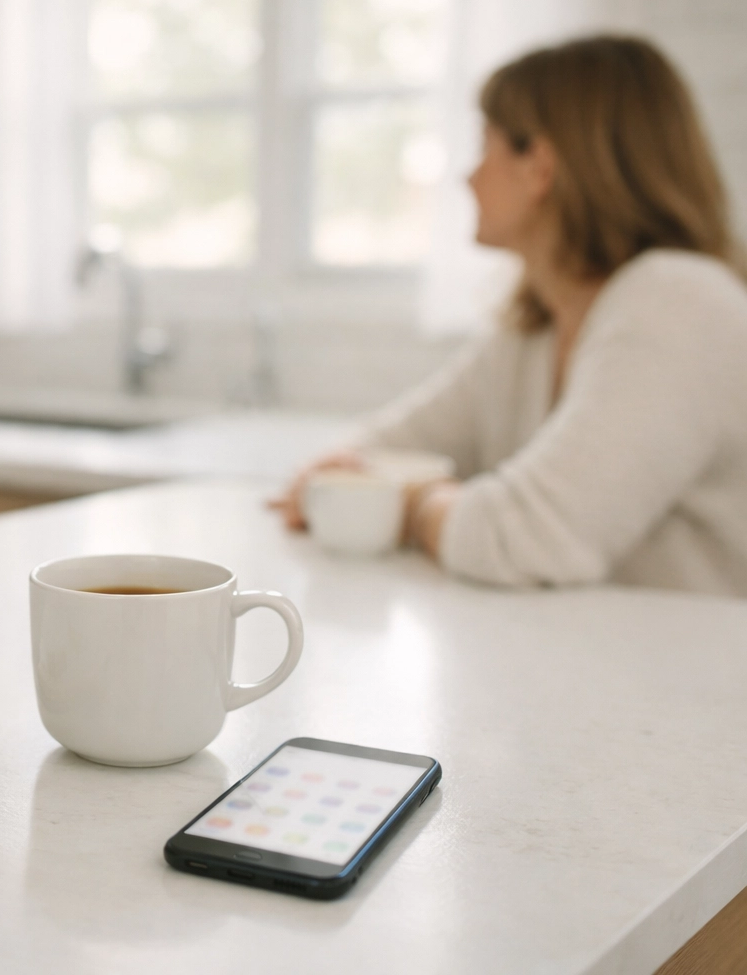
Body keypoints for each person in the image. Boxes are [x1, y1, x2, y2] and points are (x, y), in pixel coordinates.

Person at [273, 35, 747, 596]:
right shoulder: (533, 329)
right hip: (596, 663)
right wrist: (346, 478)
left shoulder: (681, 301)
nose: (467, 177)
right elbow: (379, 451)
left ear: (538, 166)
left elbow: (528, 539)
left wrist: (409, 503)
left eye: (484, 146)